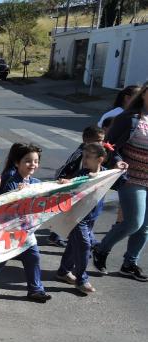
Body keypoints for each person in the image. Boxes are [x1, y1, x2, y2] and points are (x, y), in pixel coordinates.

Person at [0, 143, 53, 301]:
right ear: (17, 163)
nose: (32, 164)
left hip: (25, 230)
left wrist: (62, 184)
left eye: (36, 161)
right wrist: (19, 193)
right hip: (9, 229)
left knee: (32, 257)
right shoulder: (12, 182)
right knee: (3, 257)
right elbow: (3, 204)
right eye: (28, 161)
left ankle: (35, 290)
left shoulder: (35, 181)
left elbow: (49, 190)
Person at [93, 82, 148, 280]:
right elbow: (109, 146)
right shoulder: (129, 118)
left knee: (145, 228)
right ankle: (101, 249)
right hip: (132, 177)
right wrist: (117, 161)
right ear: (143, 95)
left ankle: (129, 263)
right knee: (134, 222)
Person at [56, 143, 109, 294]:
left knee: (75, 245)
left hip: (92, 216)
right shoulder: (82, 173)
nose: (84, 160)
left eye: (88, 157)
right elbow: (72, 185)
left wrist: (121, 167)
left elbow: (121, 179)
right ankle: (82, 279)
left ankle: (63, 272)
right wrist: (67, 182)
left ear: (100, 159)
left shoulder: (107, 173)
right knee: (84, 245)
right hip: (77, 217)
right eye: (83, 156)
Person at [50, 125, 107, 247]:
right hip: (72, 186)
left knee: (81, 215)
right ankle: (56, 235)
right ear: (86, 141)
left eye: (102, 140)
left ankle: (87, 239)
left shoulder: (98, 152)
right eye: (98, 140)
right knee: (68, 213)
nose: (101, 143)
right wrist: (63, 180)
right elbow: (67, 167)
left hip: (84, 189)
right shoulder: (79, 154)